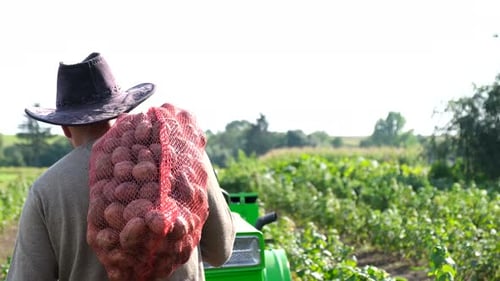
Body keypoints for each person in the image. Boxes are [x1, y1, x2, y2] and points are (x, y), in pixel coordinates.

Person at [7, 52, 235, 281]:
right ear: (122, 111)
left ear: (65, 128)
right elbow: (220, 251)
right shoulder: (183, 154)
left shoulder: (48, 189)